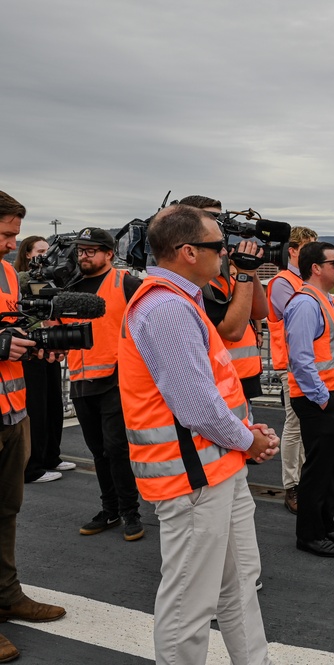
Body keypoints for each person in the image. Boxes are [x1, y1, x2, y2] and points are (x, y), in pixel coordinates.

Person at [119, 204, 279, 665]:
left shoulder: (179, 300)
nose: (226, 254)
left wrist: (247, 433)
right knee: (191, 602)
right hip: (192, 479)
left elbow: (211, 395)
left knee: (239, 584)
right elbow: (197, 407)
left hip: (214, 468)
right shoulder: (166, 307)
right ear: (188, 252)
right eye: (218, 247)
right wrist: (249, 440)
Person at [0, 191, 67, 664]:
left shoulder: (6, 271)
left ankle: (6, 594)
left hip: (12, 413)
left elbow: (10, 324)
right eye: (6, 233)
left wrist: (33, 341)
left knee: (5, 512)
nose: (13, 242)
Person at [65, 228, 145, 541]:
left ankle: (130, 512)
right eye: (80, 250)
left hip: (115, 379)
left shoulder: (125, 283)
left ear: (109, 253)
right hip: (80, 380)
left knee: (116, 448)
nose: (84, 255)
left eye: (91, 250)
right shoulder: (68, 286)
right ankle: (110, 509)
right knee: (98, 451)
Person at [284, 241, 334, 557]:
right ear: (316, 267)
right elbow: (300, 358)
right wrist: (323, 398)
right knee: (317, 470)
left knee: (333, 468)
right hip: (320, 400)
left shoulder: (327, 300)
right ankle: (309, 534)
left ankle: (326, 525)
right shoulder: (305, 304)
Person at [178, 196, 268, 420]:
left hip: (241, 377)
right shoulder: (196, 278)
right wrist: (245, 274)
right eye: (212, 219)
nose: (220, 227)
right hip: (217, 382)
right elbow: (232, 331)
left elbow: (260, 312)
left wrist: (249, 269)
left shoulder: (226, 268)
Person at [266, 226, 318, 514]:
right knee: (295, 425)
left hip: (307, 363)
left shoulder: (299, 281)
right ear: (294, 249)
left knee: (303, 425)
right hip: (292, 364)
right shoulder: (282, 282)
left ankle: (300, 479)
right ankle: (291, 485)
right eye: (309, 247)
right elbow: (302, 319)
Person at [14, 235, 72, 484]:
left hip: (49, 346)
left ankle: (52, 455)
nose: (45, 255)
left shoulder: (52, 279)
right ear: (27, 254)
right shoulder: (19, 279)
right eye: (39, 251)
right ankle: (34, 465)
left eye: (47, 251)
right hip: (28, 348)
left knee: (53, 403)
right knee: (36, 406)